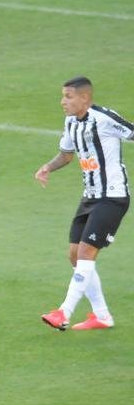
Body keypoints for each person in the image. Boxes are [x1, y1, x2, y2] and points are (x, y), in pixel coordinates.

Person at [36, 77, 133, 330]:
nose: (63, 101)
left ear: (85, 99)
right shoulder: (71, 122)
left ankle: (63, 312)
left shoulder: (104, 118)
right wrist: (48, 167)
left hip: (112, 196)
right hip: (89, 197)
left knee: (86, 253)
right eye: (63, 96)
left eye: (68, 96)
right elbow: (67, 155)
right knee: (74, 256)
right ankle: (101, 316)